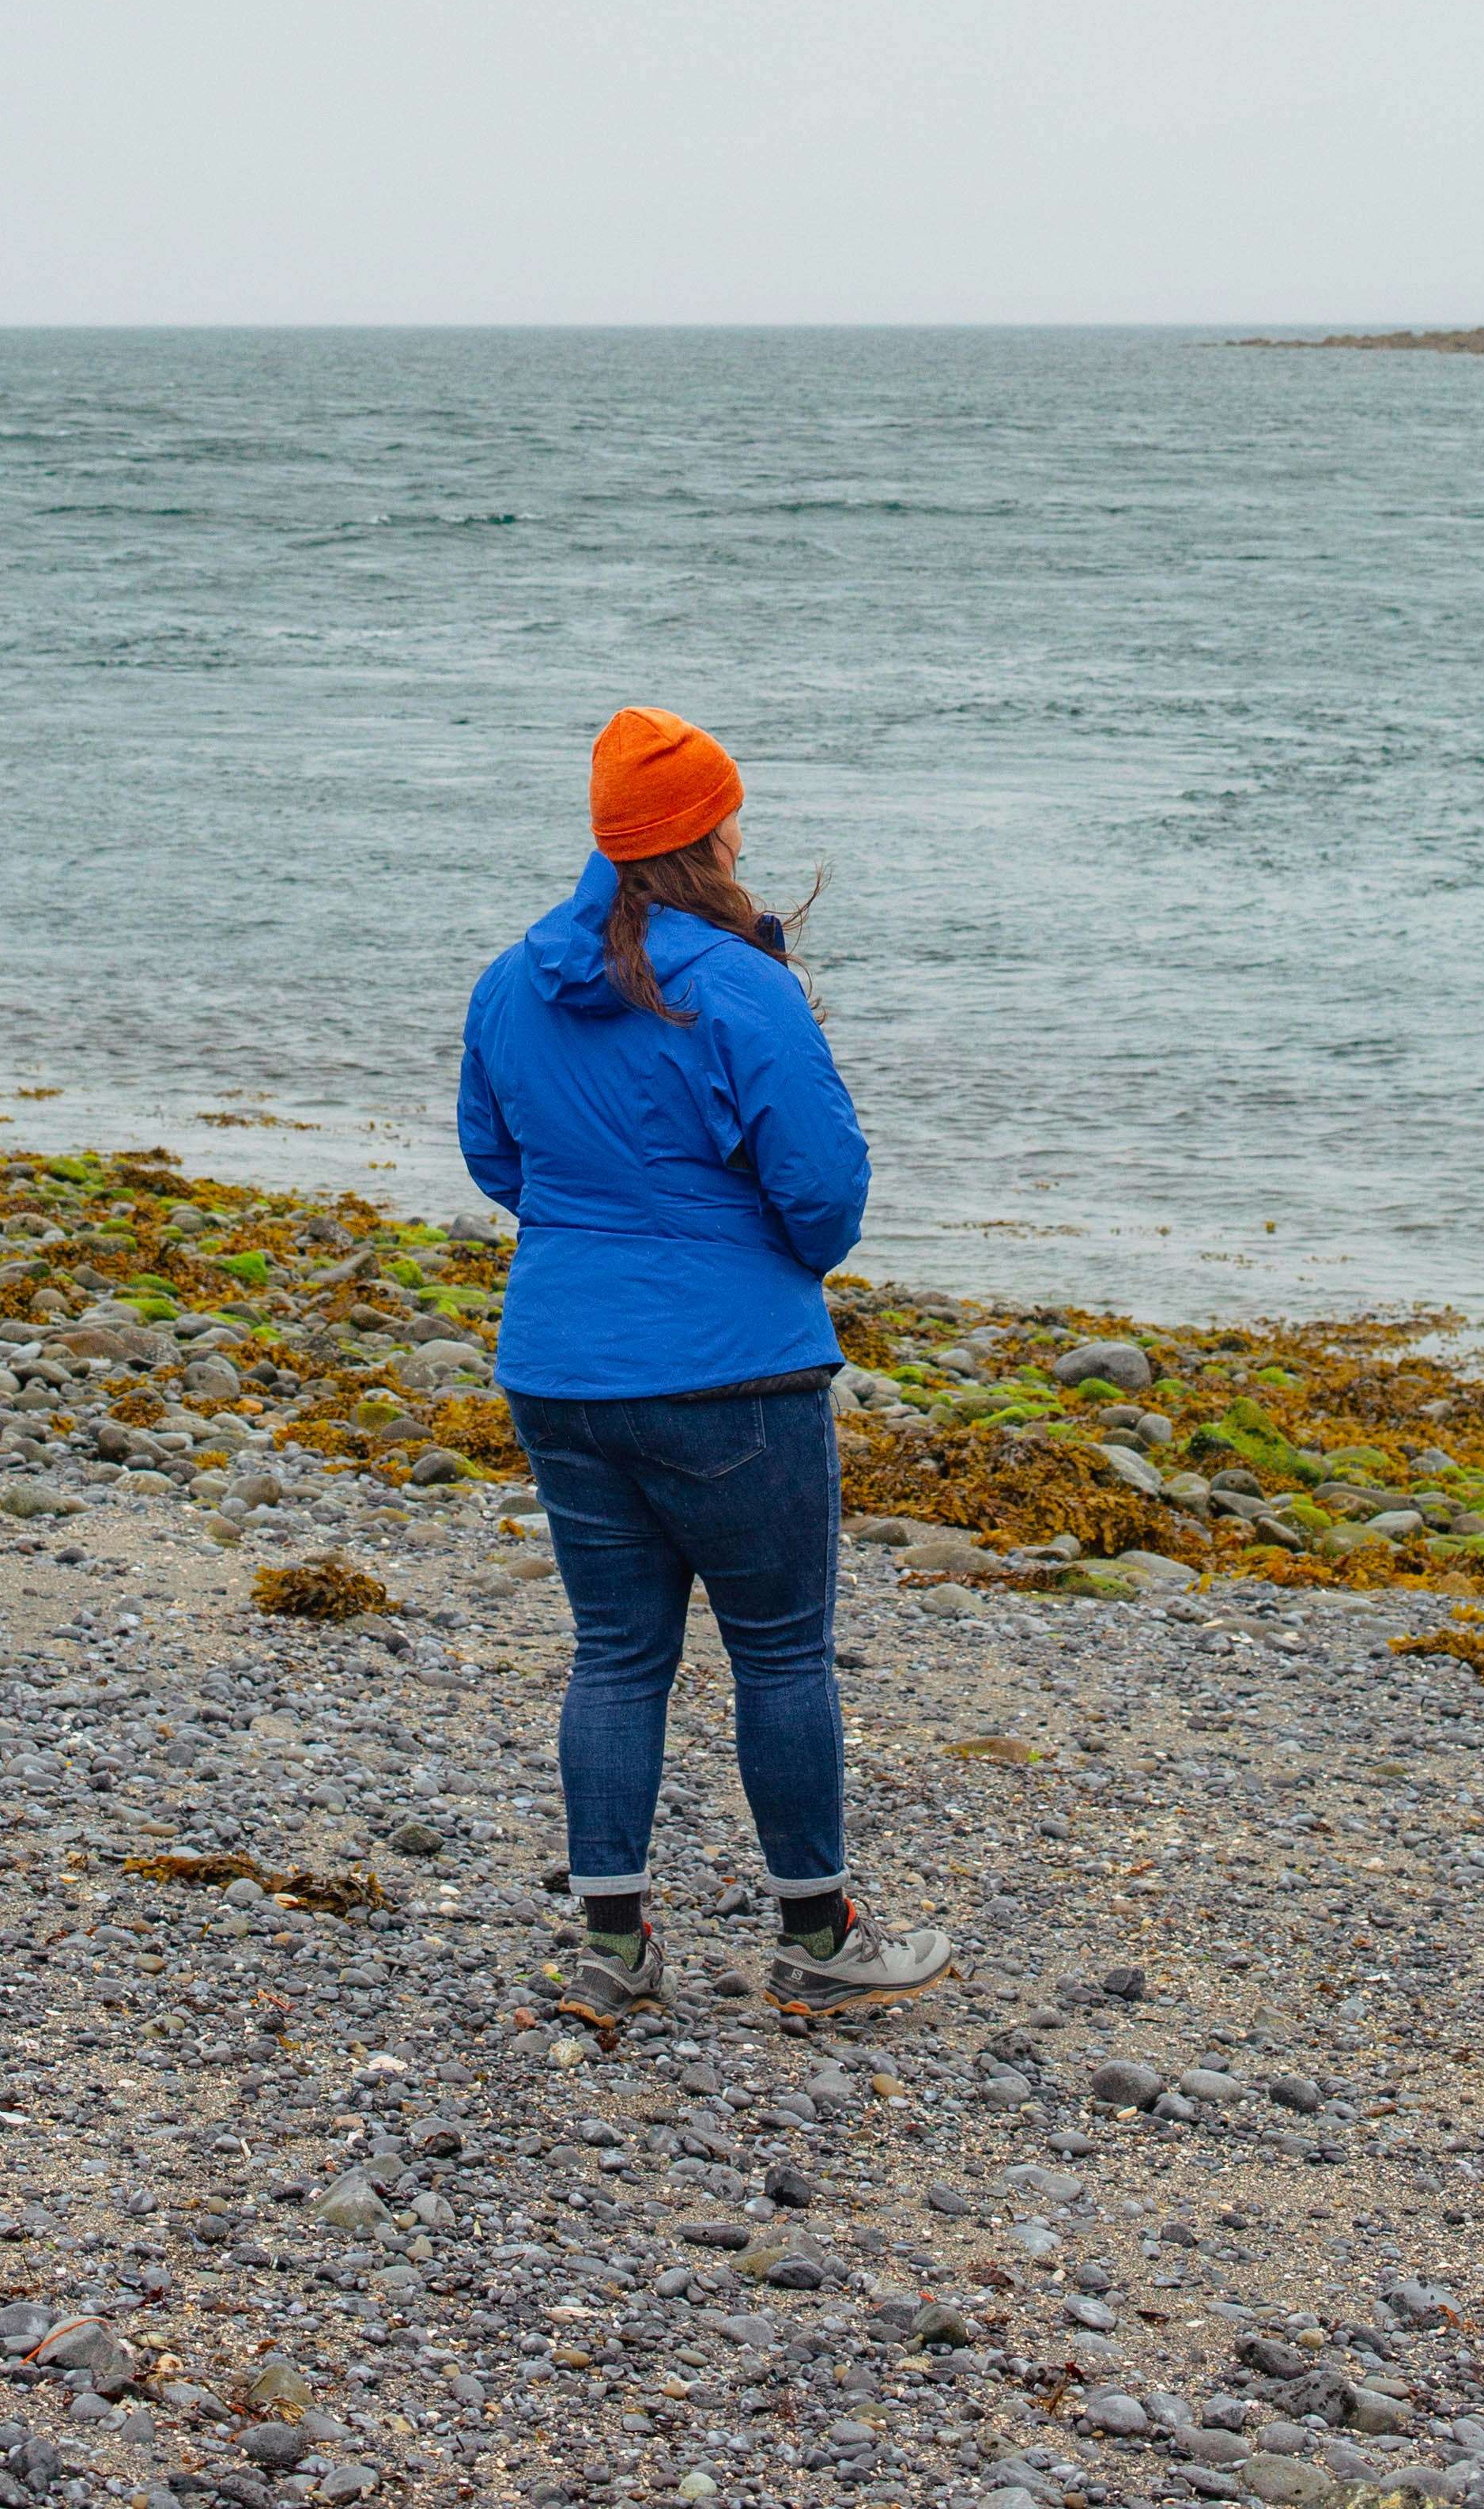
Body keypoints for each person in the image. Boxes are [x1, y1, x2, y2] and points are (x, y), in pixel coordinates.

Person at [455, 704, 953, 2008]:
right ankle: (819, 1945)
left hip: (562, 1363)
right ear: (712, 830)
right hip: (732, 1367)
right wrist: (725, 1247)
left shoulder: (512, 980)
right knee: (780, 1652)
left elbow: (498, 1161)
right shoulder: (740, 983)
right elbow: (825, 1194)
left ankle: (613, 1950)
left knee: (617, 1653)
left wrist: (606, 1236)